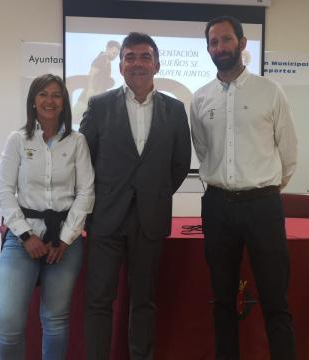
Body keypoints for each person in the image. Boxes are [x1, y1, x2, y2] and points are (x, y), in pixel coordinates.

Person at [190, 16, 298, 360]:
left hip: (263, 207)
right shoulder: (199, 98)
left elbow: (289, 152)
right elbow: (204, 151)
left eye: (226, 40)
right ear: (208, 49)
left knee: (275, 299)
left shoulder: (270, 91)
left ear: (242, 42)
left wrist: (264, 188)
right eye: (213, 43)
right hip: (218, 207)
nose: (220, 47)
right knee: (222, 300)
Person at [80, 32, 191, 360]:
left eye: (145, 57)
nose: (138, 63)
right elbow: (84, 159)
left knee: (144, 301)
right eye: (130, 57)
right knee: (99, 300)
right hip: (106, 220)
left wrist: (152, 194)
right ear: (121, 64)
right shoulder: (99, 106)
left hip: (150, 219)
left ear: (157, 64)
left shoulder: (175, 109)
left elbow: (179, 164)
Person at [0, 74, 95, 359]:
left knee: (55, 320)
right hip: (22, 241)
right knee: (8, 321)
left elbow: (86, 193)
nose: (49, 100)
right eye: (43, 94)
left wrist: (64, 240)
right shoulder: (17, 140)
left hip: (66, 244)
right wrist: (27, 236)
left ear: (64, 102)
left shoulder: (77, 142)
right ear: (33, 101)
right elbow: (3, 191)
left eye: (56, 95)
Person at [72, 40, 121, 122]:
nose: (115, 56)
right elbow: (91, 75)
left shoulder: (107, 61)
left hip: (95, 96)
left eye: (116, 54)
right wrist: (90, 90)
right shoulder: (101, 59)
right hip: (88, 96)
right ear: (108, 49)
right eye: (113, 53)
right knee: (73, 117)